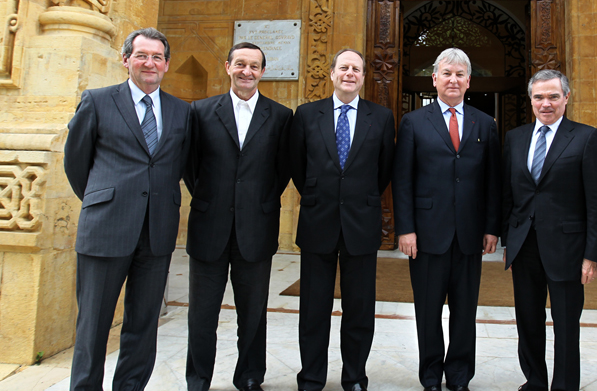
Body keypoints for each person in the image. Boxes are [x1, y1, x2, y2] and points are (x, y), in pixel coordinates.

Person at [64, 28, 191, 391]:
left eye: (156, 57)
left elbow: (183, 165)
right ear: (126, 60)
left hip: (157, 232)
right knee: (93, 325)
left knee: (143, 324)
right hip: (105, 229)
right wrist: (101, 200)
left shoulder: (182, 112)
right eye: (141, 55)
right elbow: (76, 164)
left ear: (166, 64)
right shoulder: (98, 101)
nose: (149, 63)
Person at [183, 42, 293, 391]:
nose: (247, 71)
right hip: (208, 226)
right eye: (240, 64)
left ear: (263, 71)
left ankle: (249, 377)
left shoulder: (280, 116)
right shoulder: (199, 112)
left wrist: (256, 201)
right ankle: (198, 379)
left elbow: (283, 169)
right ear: (228, 66)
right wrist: (212, 197)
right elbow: (190, 165)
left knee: (253, 314)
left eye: (255, 66)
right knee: (202, 314)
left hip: (256, 229)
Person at [393, 48, 502, 391]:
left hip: (469, 234)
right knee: (427, 311)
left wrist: (491, 227)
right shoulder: (413, 122)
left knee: (464, 311)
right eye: (446, 73)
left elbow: (493, 181)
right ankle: (430, 376)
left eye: (459, 74)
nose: (453, 80)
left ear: (468, 81)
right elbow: (403, 180)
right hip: (425, 235)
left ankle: (458, 376)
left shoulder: (485, 123)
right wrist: (405, 229)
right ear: (434, 79)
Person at [290, 49, 395, 391]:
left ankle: (354, 377)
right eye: (344, 68)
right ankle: (311, 377)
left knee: (360, 310)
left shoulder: (380, 117)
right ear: (332, 73)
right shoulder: (306, 114)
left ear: (363, 77)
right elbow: (297, 165)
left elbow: (383, 171)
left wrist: (357, 196)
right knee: (313, 309)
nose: (350, 73)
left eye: (357, 69)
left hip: (361, 225)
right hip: (318, 221)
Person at [501, 70, 597, 391]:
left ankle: (564, 385)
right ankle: (534, 381)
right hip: (525, 247)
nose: (545, 103)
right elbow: (509, 194)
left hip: (569, 249)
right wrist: (508, 238)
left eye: (552, 96)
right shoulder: (515, 138)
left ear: (566, 97)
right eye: (539, 97)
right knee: (528, 321)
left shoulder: (586, 137)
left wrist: (593, 255)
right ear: (531, 100)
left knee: (565, 324)